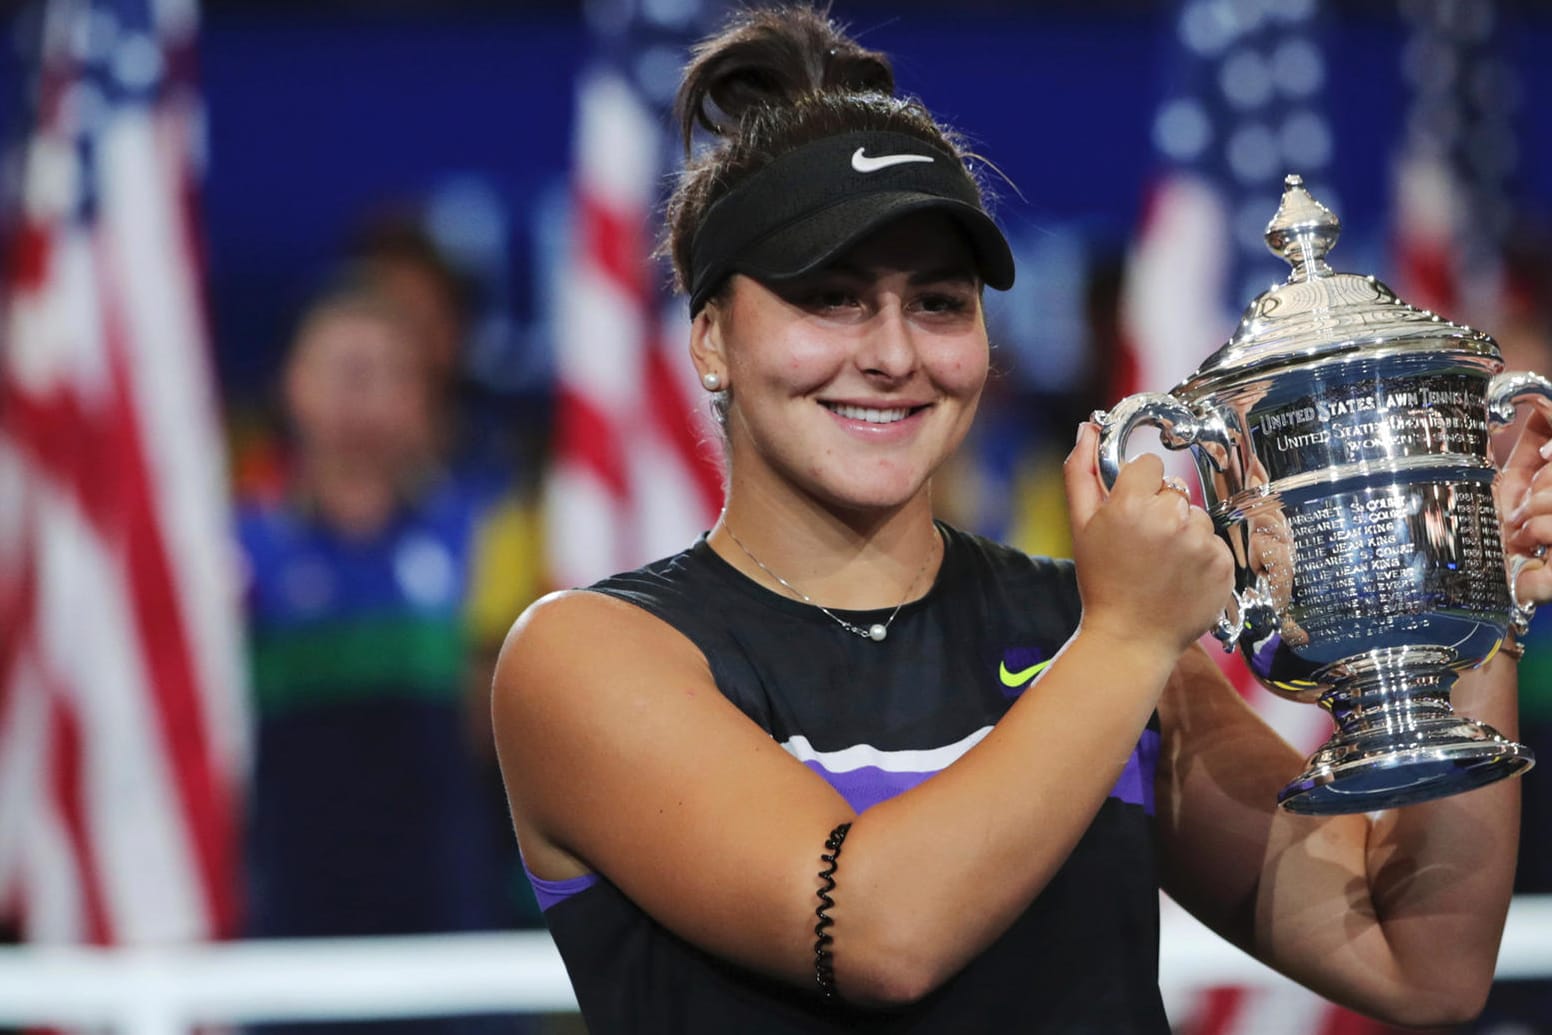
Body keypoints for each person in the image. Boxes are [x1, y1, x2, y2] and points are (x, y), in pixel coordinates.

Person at [492, 7, 1551, 1032]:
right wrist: (1129, 637)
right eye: (832, 298)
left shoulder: (1084, 634)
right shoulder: (590, 657)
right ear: (712, 339)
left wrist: (1472, 606)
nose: (895, 354)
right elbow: (876, 937)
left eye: (938, 302)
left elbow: (1424, 964)